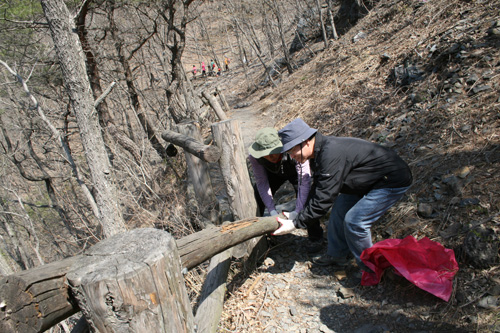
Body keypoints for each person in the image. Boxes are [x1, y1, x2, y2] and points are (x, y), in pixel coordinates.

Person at [274, 118, 412, 273]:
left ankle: (370, 269)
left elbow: (324, 198)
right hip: (364, 182)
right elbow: (319, 187)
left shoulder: (330, 153)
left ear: (305, 141)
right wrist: (299, 213)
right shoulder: (318, 152)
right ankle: (337, 255)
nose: (292, 156)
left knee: (355, 221)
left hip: (390, 181)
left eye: (292, 150)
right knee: (339, 211)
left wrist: (296, 223)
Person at [249, 127, 324, 253]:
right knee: (256, 194)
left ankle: (315, 236)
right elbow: (262, 182)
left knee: (307, 200)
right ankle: (260, 232)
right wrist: (271, 210)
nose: (271, 156)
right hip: (272, 173)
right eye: (266, 153)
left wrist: (298, 211)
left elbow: (304, 182)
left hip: (294, 171)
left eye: (274, 152)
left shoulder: (293, 148)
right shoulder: (255, 157)